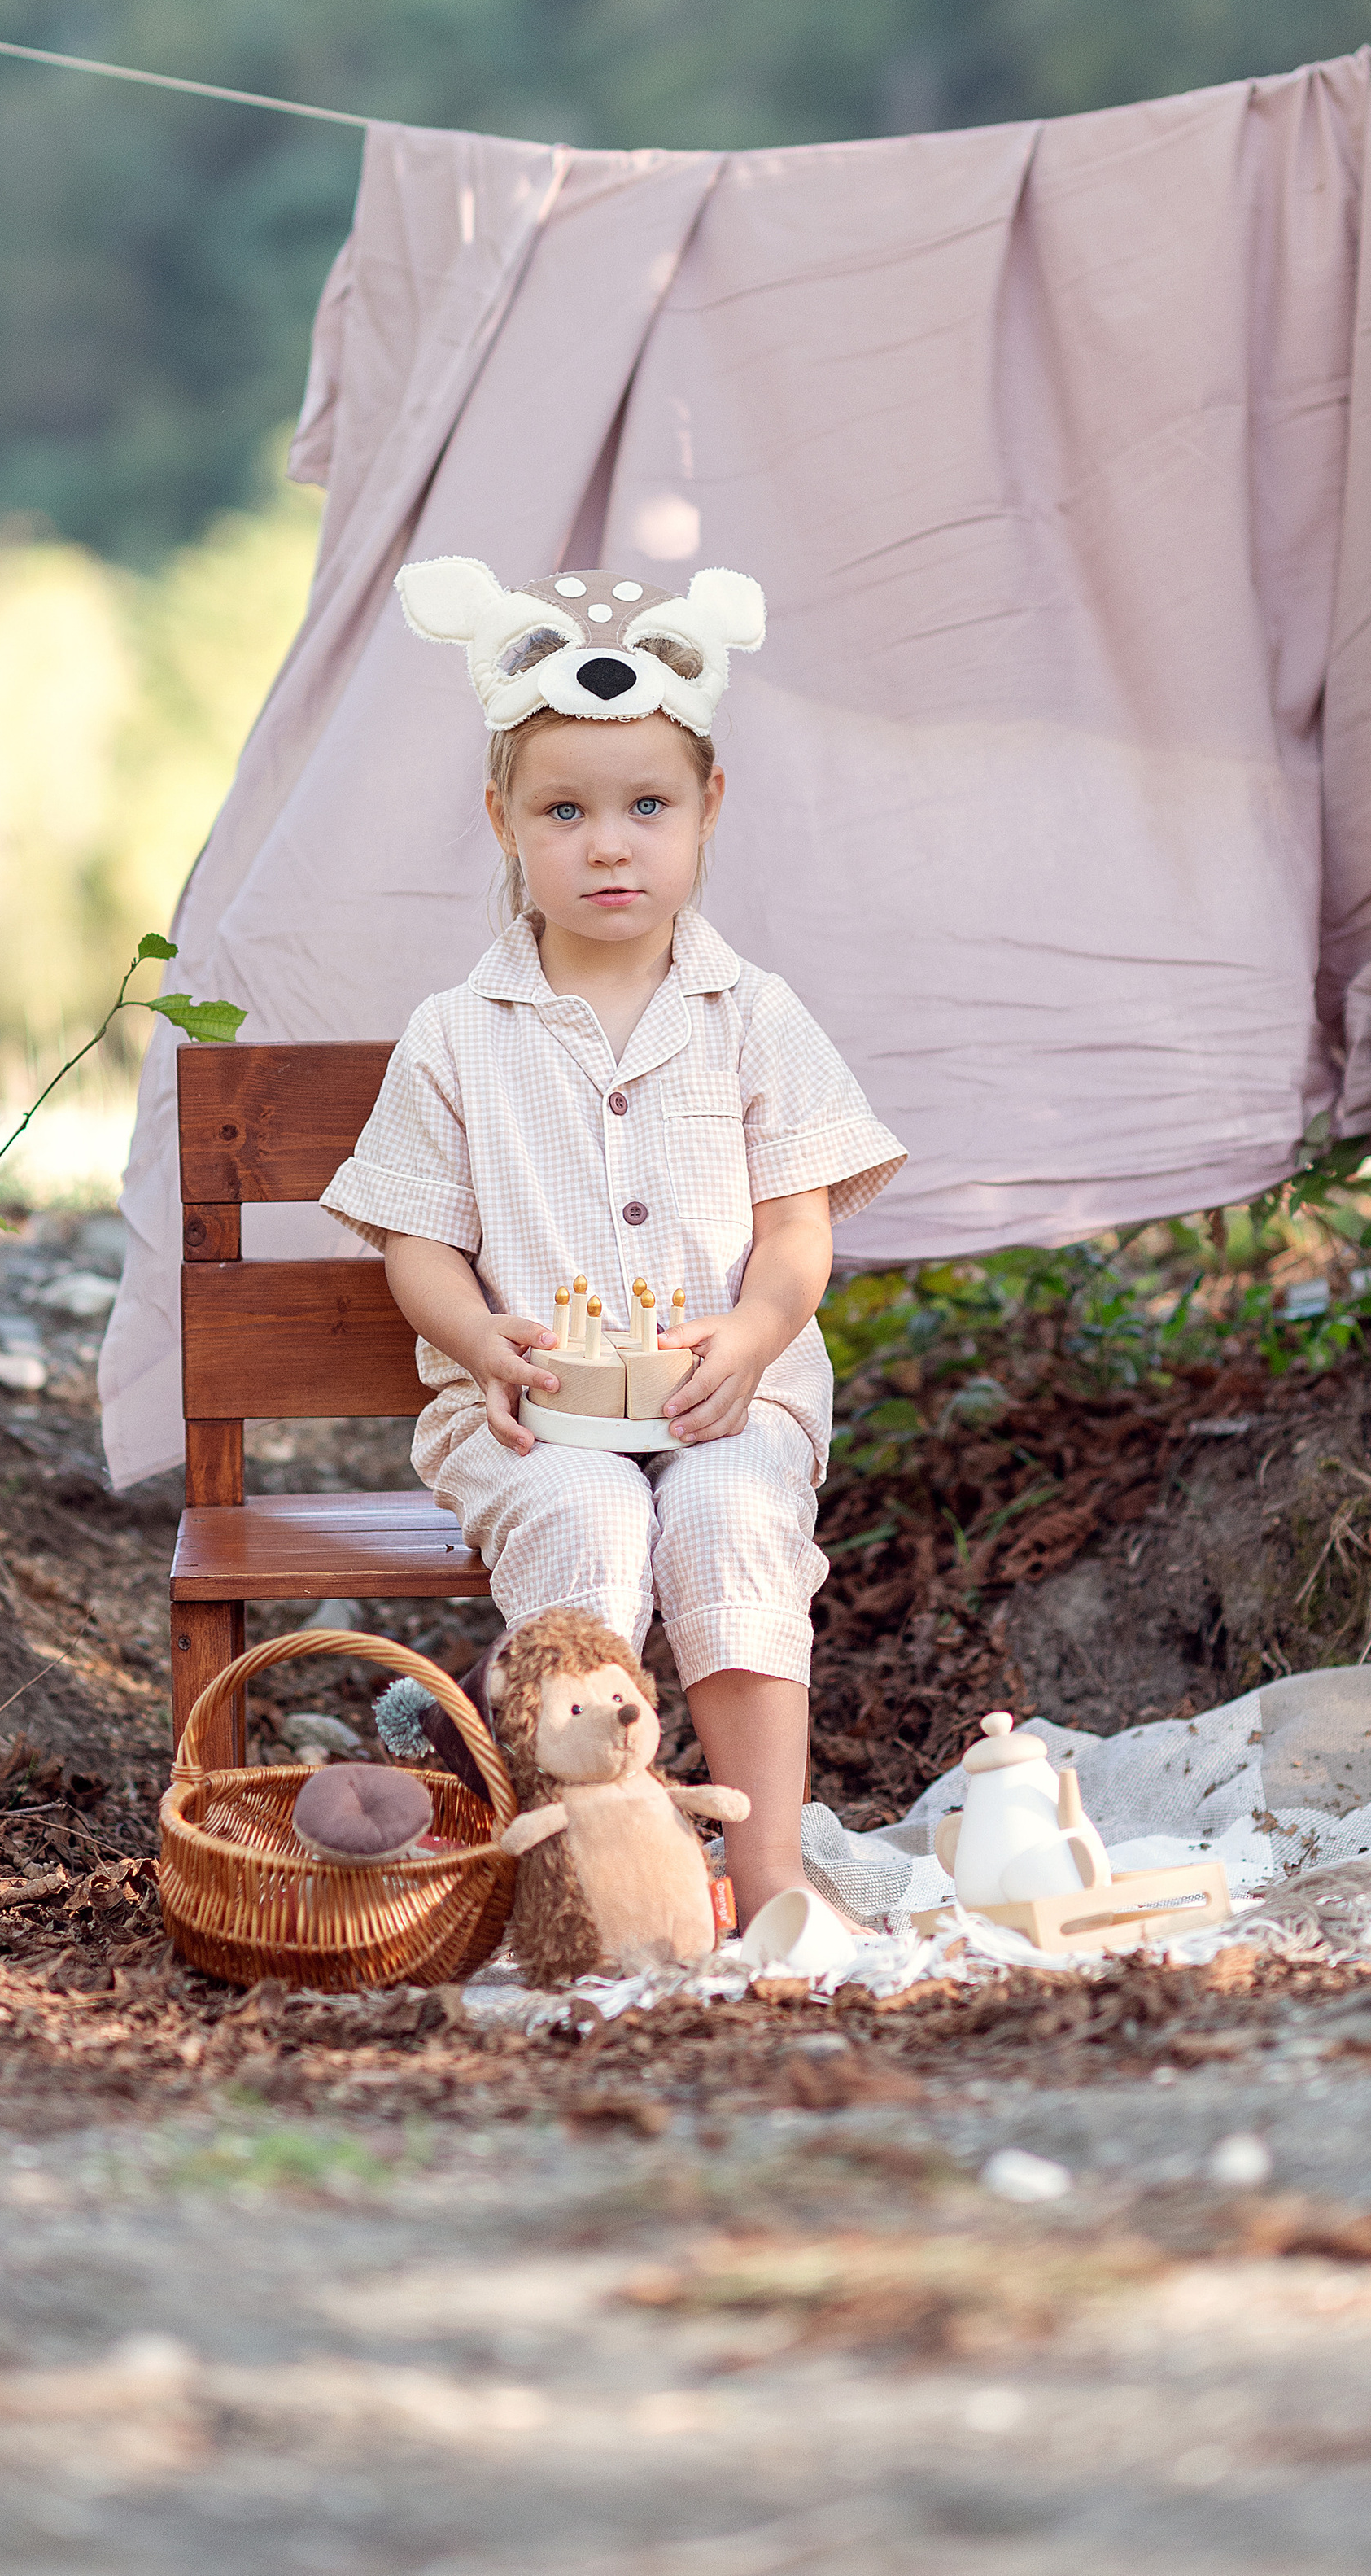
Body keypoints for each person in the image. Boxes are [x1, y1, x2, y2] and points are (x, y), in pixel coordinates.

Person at [321, 556, 904, 1931]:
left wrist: (755, 1336)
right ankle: (590, 1874)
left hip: (724, 1395)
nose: (608, 845)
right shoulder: (457, 1035)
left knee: (729, 1515)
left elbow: (796, 1226)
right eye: (564, 811)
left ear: (709, 808)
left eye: (648, 806)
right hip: (533, 1410)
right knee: (587, 1515)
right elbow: (416, 1245)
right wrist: (479, 1341)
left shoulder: (752, 1015)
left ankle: (766, 1873)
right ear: (504, 821)